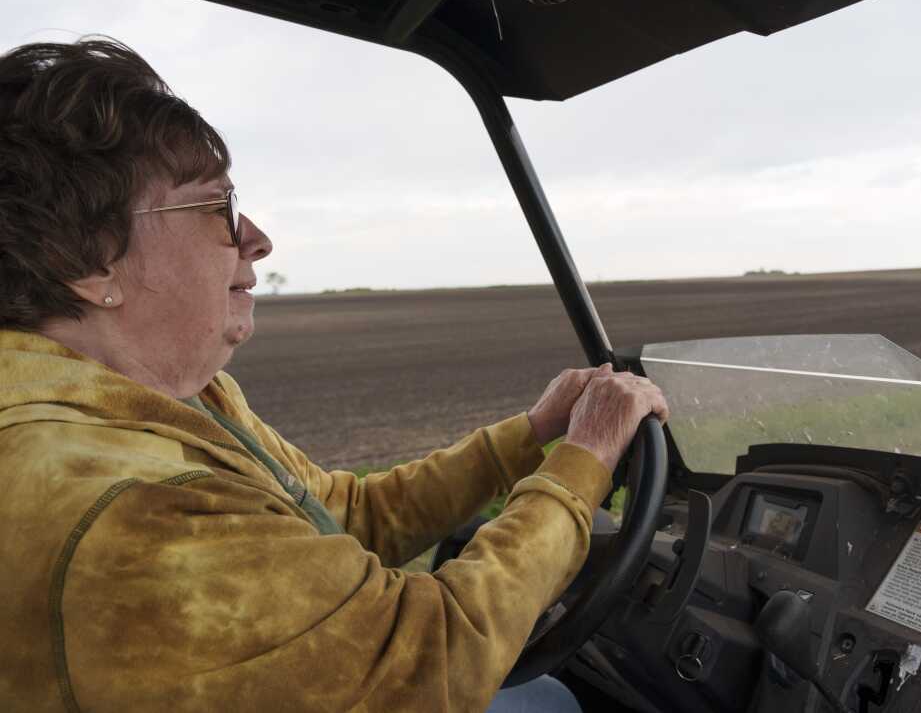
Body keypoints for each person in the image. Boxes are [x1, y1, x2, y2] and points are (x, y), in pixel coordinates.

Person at [0, 38, 669, 712]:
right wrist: (582, 462)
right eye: (217, 209)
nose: (256, 237)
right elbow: (425, 659)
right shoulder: (128, 506)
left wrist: (531, 435)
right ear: (88, 262)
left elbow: (339, 513)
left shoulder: (176, 402)